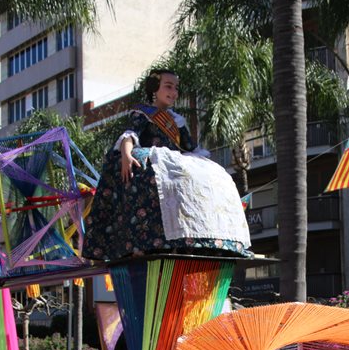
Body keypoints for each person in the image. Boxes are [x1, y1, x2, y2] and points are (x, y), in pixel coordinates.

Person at [83, 68, 251, 261]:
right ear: (155, 89)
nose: (174, 92)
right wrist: (126, 154)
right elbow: (130, 135)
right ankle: (147, 238)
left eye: (176, 88)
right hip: (155, 158)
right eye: (168, 86)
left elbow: (190, 147)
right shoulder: (142, 113)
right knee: (148, 170)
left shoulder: (177, 120)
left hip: (175, 160)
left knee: (211, 173)